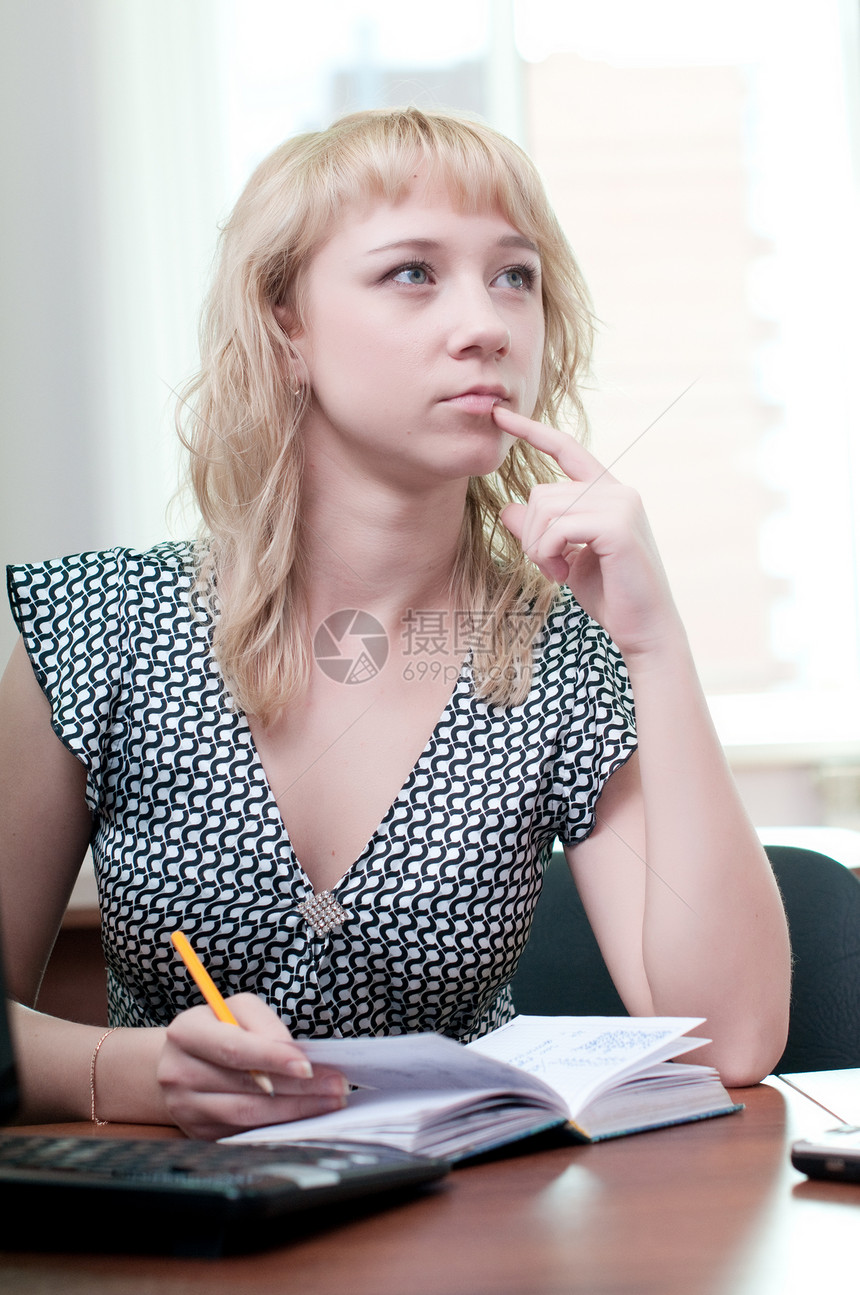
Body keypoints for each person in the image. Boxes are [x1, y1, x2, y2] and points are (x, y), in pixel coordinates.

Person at [0, 107, 790, 1142]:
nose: (487, 324)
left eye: (513, 275)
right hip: (183, 1238)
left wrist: (655, 645)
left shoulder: (561, 656)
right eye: (411, 273)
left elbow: (728, 1039)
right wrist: (127, 1070)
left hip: (475, 1230)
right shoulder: (88, 628)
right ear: (286, 326)